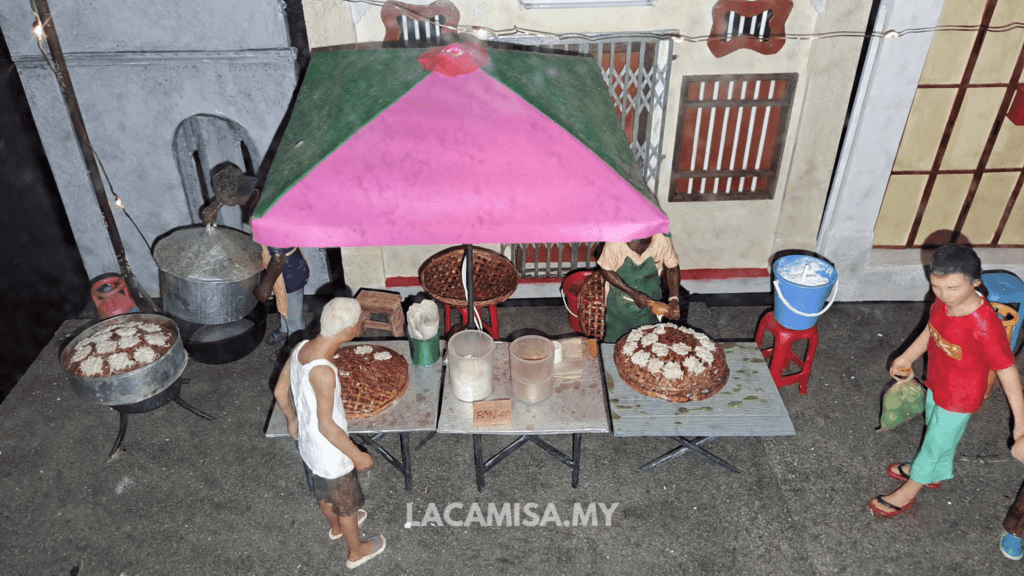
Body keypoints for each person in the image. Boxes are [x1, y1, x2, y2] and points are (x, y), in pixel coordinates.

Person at [868, 244, 1024, 519]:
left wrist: (1020, 426)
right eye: (936, 286)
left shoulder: (984, 325)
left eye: (952, 288)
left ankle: (910, 490)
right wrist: (907, 357)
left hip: (960, 398)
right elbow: (932, 329)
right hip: (938, 381)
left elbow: (1008, 371)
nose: (943, 294)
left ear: (975, 282)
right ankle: (931, 472)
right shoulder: (944, 302)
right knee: (935, 432)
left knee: (936, 441)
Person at [273, 298, 386, 569]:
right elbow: (327, 426)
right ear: (348, 330)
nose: (362, 322)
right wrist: (357, 456)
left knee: (324, 495)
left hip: (310, 447)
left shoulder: (301, 347)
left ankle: (335, 527)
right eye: (360, 320)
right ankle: (356, 550)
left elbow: (280, 391)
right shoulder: (323, 372)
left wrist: (292, 421)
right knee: (347, 504)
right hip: (332, 453)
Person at [597, 233, 682, 343]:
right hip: (619, 302)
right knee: (615, 342)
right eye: (632, 244)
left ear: (651, 237)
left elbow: (673, 268)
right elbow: (605, 270)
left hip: (650, 298)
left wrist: (674, 299)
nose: (637, 251)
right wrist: (633, 293)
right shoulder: (615, 241)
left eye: (641, 245)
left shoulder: (662, 239)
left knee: (648, 340)